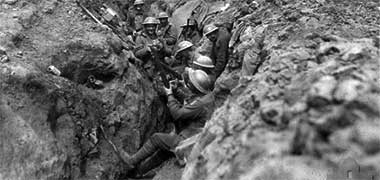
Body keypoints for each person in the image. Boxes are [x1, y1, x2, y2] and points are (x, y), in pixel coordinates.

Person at [115, 69, 215, 177]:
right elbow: (189, 101)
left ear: (195, 87)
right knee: (164, 152)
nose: (188, 84)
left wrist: (170, 95)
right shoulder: (207, 97)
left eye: (190, 83)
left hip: (188, 141)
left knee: (156, 138)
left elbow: (177, 114)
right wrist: (175, 90)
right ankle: (138, 172)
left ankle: (131, 162)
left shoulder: (200, 104)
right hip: (195, 137)